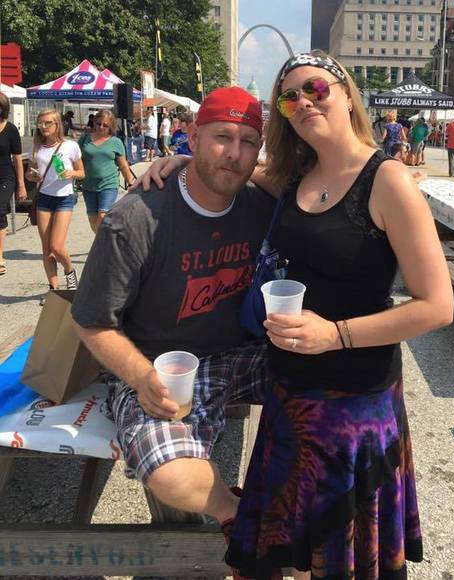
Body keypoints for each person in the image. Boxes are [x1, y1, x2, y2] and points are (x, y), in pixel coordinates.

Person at [222, 51, 453, 579]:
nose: (303, 102)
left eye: (316, 89)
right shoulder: (296, 177)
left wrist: (335, 334)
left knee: (339, 560)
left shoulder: (388, 180)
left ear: (347, 94)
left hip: (354, 405)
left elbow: (438, 306)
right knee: (291, 553)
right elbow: (238, 171)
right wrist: (177, 164)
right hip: (289, 393)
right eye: (290, 97)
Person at [70, 88, 276, 570]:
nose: (235, 153)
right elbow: (91, 320)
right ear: (193, 136)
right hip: (160, 364)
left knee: (342, 378)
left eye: (248, 141)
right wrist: (141, 377)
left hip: (243, 353)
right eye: (222, 137)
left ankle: (325, 505)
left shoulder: (261, 205)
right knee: (168, 472)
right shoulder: (136, 217)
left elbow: (320, 187)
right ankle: (239, 514)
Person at [25, 109, 84, 304]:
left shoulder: (70, 146)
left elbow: (82, 172)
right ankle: (54, 290)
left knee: (57, 247)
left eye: (47, 123)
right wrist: (31, 176)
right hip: (44, 199)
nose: (43, 127)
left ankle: (70, 272)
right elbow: (29, 173)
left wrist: (71, 173)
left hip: (64, 199)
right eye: (40, 123)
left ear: (57, 124)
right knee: (46, 249)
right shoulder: (37, 147)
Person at [78, 109, 135, 233]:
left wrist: (131, 183)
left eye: (105, 125)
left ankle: (102, 243)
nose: (101, 127)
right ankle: (102, 240)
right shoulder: (85, 139)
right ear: (94, 122)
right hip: (88, 185)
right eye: (98, 123)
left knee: (102, 216)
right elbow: (76, 160)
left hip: (108, 184)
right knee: (93, 220)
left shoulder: (116, 142)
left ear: (111, 126)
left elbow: (123, 165)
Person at [0, 92, 27, 276]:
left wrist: (21, 185)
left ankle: (0, 256)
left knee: (0, 210)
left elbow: (17, 159)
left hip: (5, 176)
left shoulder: (10, 129)